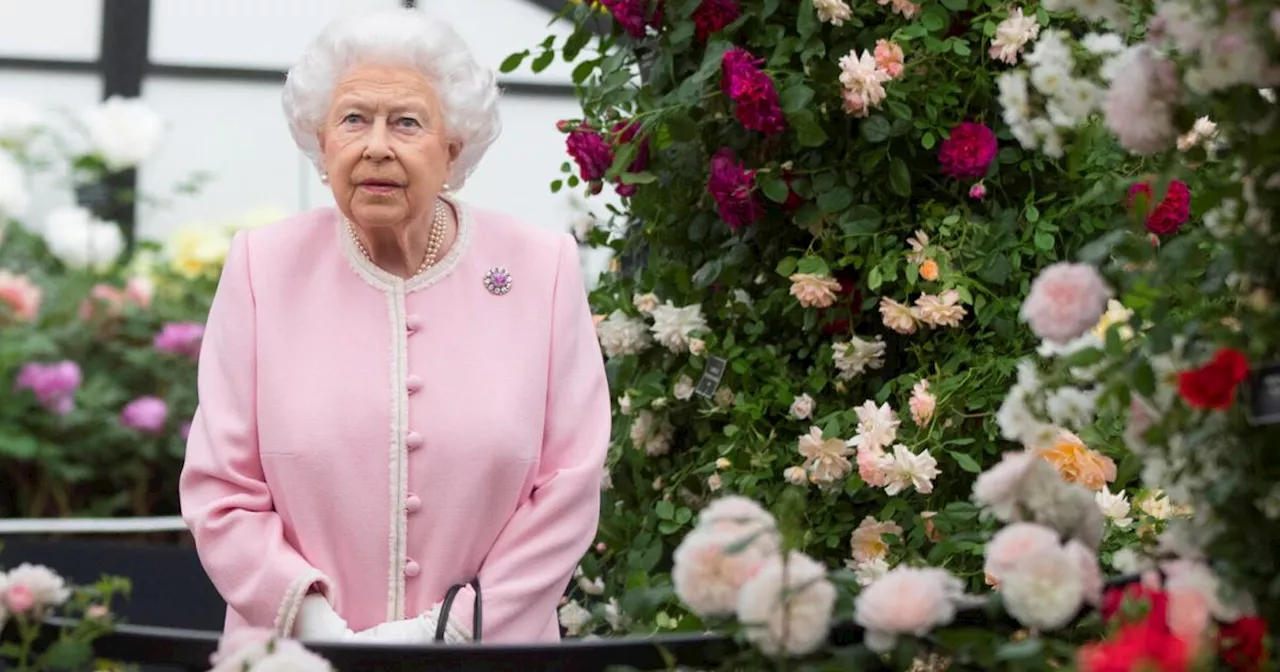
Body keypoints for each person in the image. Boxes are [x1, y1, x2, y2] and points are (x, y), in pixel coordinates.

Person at [178, 7, 610, 644]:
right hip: (293, 655)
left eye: (406, 122)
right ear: (322, 144)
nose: (376, 144)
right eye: (353, 119)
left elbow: (568, 489)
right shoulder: (260, 269)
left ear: (453, 148)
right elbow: (221, 490)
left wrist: (452, 633)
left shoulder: (540, 269)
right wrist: (314, 624)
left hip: (487, 657)